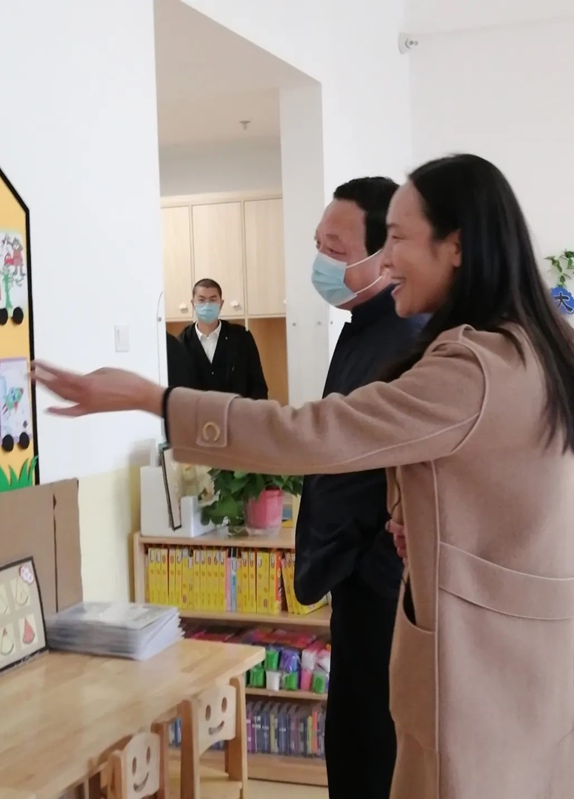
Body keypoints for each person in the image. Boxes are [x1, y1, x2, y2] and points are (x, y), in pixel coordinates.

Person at [35, 153, 574, 799]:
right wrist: (430, 526)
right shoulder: (536, 344)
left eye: (397, 239)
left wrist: (155, 399)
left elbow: (313, 432)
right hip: (523, 655)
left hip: (475, 661)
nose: (386, 260)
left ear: (455, 245)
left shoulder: (472, 366)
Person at [302, 177, 427, 798]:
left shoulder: (408, 338)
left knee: (374, 752)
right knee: (351, 743)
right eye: (318, 245)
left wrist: (374, 567)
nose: (322, 262)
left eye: (337, 249)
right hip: (356, 578)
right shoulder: (362, 326)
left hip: (382, 581)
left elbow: (415, 476)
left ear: (385, 254)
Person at [178, 278, 268, 399]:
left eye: (212, 300)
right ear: (193, 303)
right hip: (198, 410)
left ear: (221, 303)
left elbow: (258, 386)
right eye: (201, 300)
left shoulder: (242, 338)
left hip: (236, 409)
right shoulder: (182, 343)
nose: (207, 305)